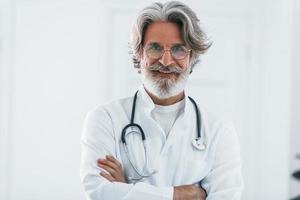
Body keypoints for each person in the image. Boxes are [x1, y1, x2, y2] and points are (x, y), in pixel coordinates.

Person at [80, 1, 243, 199]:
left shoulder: (218, 129)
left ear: (192, 57)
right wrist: (180, 195)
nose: (166, 61)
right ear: (139, 53)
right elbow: (98, 192)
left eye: (178, 49)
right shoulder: (105, 119)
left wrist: (127, 190)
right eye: (155, 48)